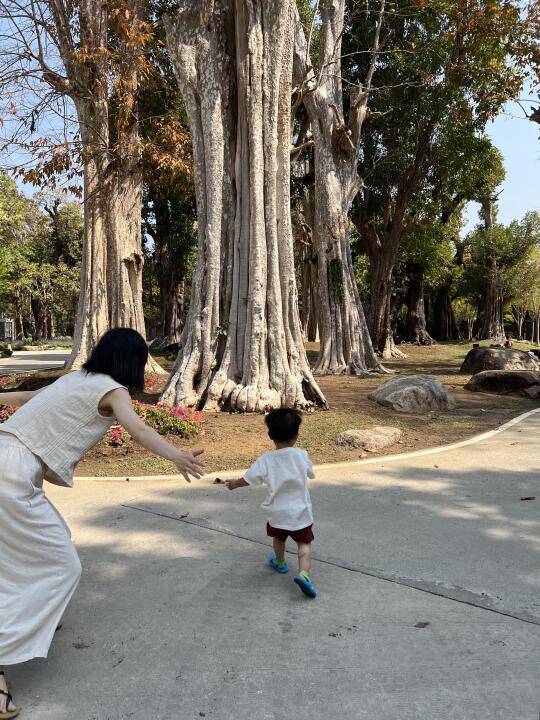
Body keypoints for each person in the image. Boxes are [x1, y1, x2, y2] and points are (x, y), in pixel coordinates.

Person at [0, 328, 204, 719]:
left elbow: (25, 398)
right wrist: (176, 455)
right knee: (63, 568)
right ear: (132, 361)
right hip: (12, 471)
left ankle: (39, 616)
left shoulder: (77, 378)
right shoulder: (114, 390)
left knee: (48, 542)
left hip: (5, 453)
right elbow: (139, 429)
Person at [225, 408, 317, 599]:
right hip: (301, 512)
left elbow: (249, 479)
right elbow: (310, 473)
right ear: (296, 435)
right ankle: (304, 574)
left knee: (279, 539)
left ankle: (281, 563)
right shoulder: (301, 455)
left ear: (270, 435)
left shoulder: (266, 460)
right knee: (304, 544)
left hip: (277, 513)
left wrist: (234, 484)